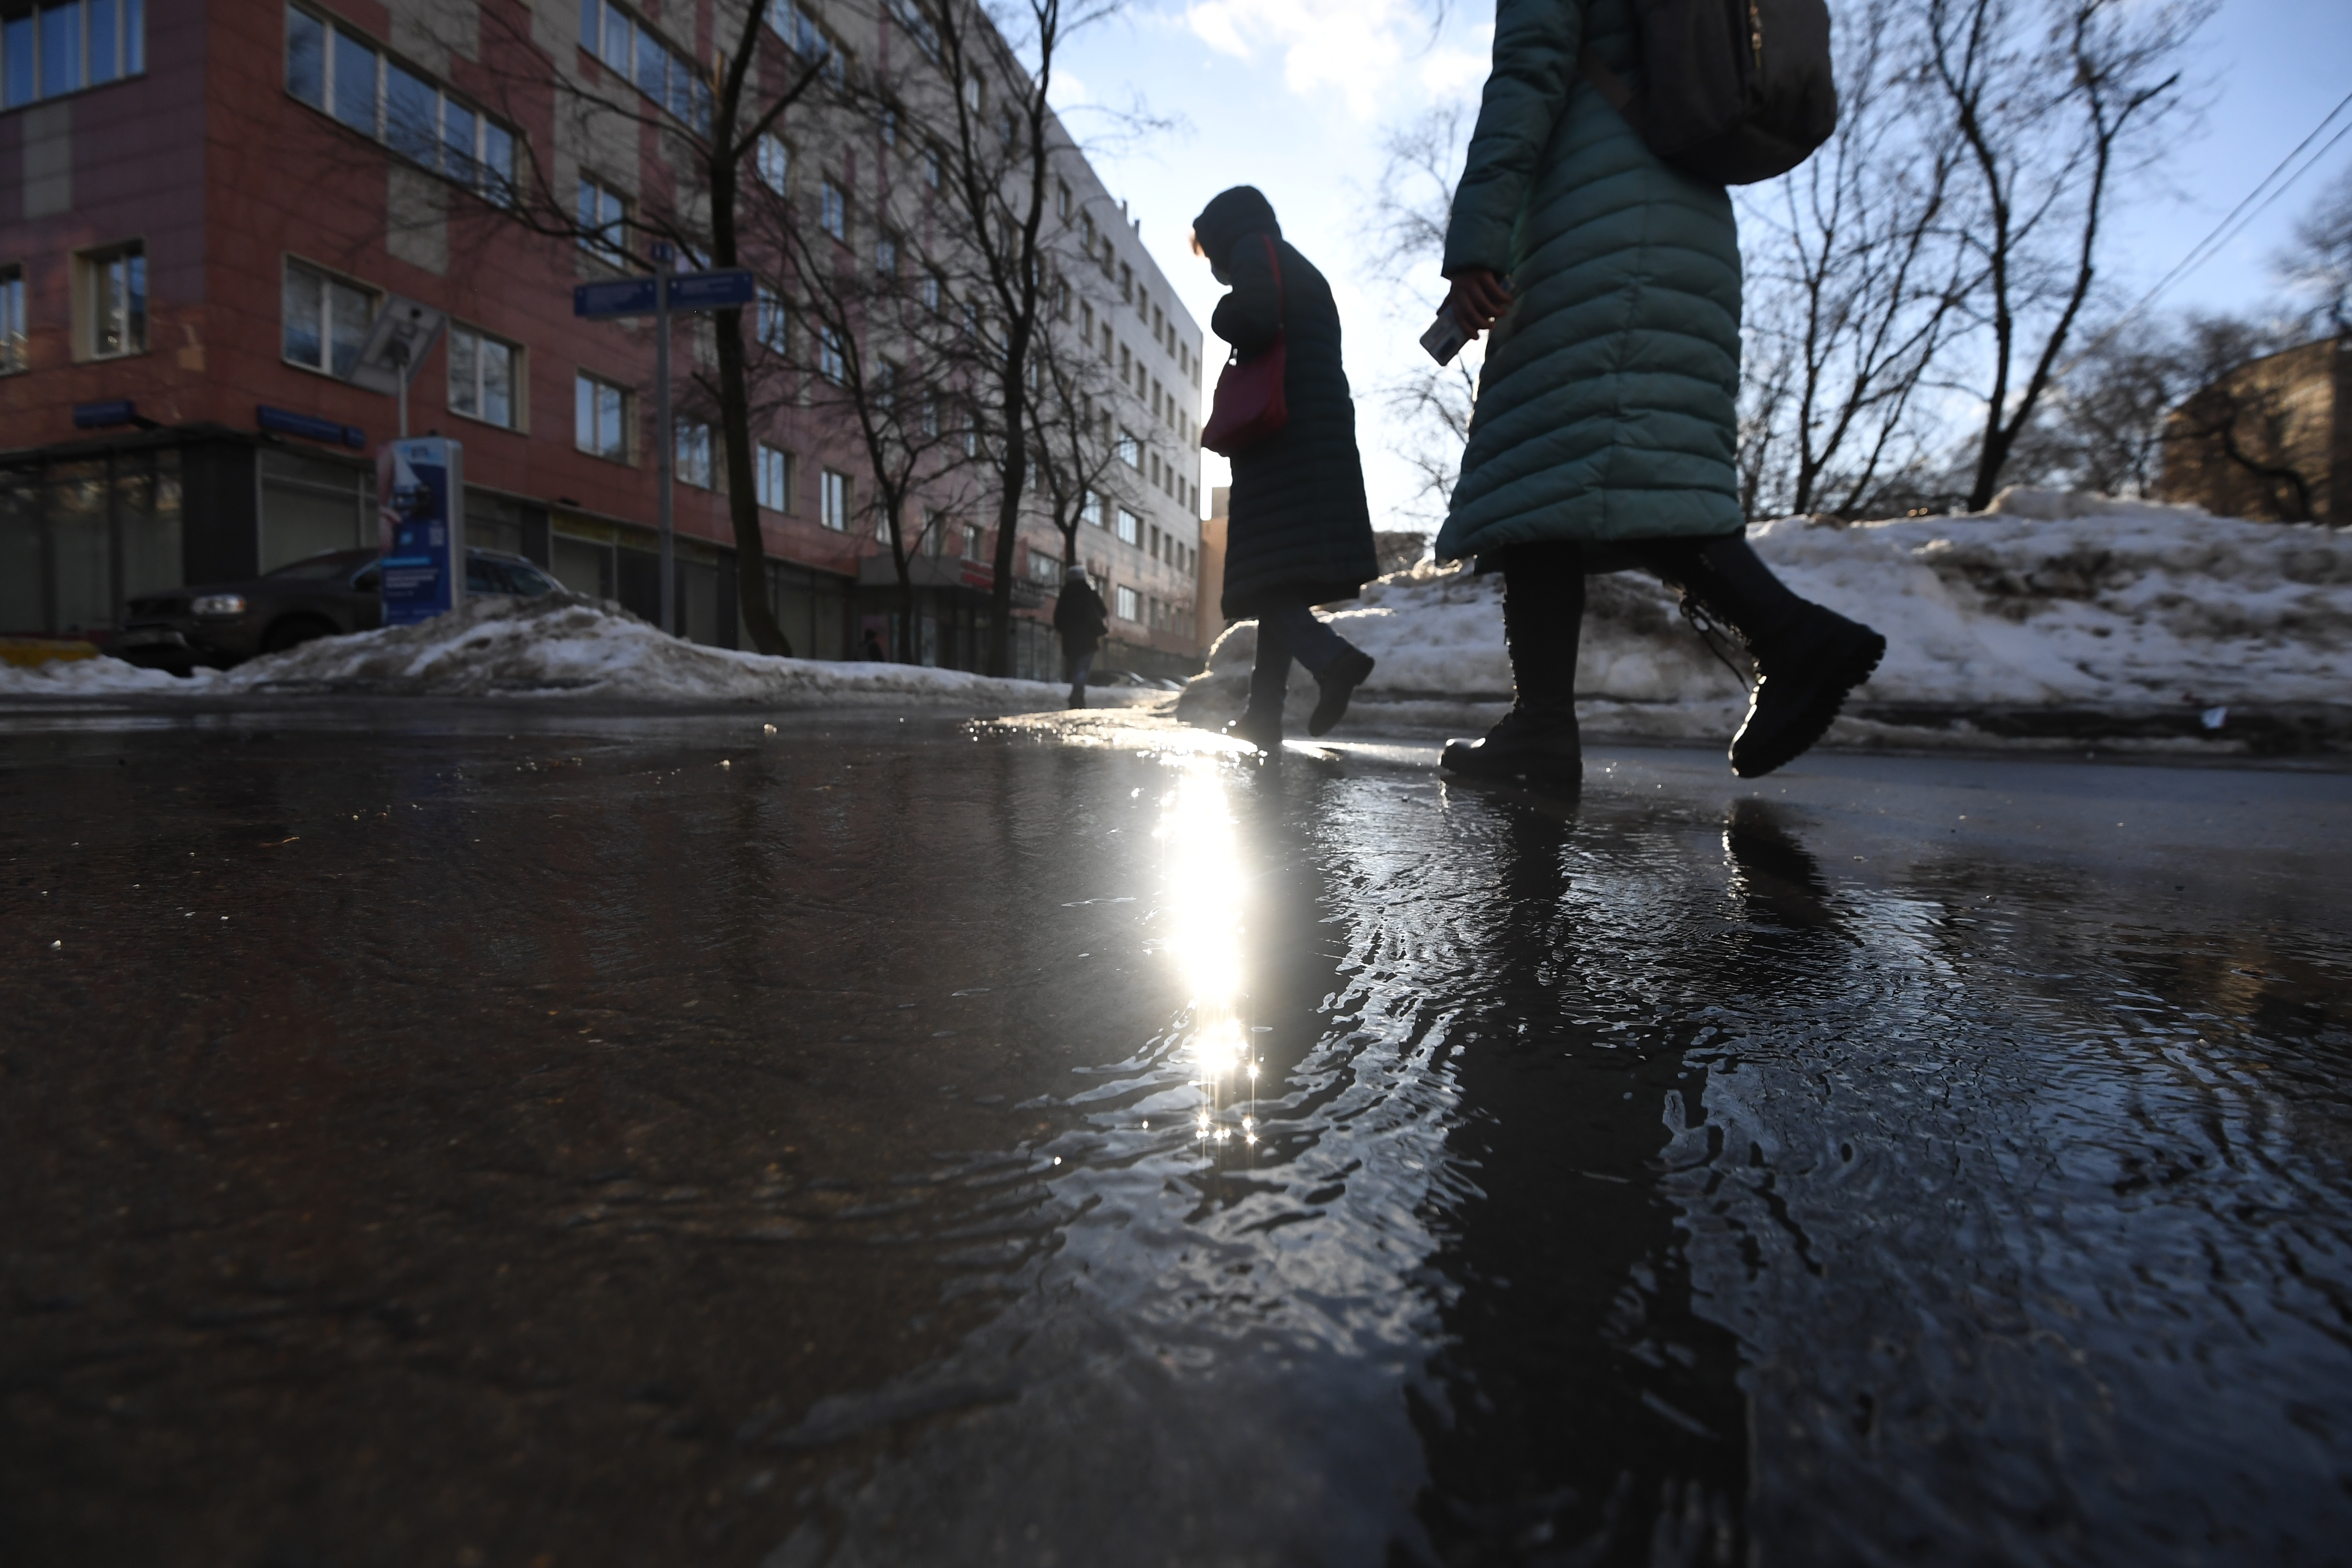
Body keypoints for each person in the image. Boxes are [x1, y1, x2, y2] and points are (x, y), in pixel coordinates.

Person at [1435, 0, 1885, 787]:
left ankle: (1794, 637)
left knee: (1584, 462)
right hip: (1678, 212)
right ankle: (1540, 724)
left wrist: (1476, 244)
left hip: (1596, 214)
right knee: (1566, 476)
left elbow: (1525, 79)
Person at [1190, 185, 1381, 751]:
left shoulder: (1253, 249)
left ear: (1226, 234)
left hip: (1280, 438)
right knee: (1278, 575)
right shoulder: (1300, 266)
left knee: (1260, 577)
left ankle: (1332, 659)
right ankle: (1263, 713)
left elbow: (1251, 317)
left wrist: (1222, 313)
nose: (1216, 269)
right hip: (1313, 436)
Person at [1051, 565, 1109, 709]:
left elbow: (1058, 619)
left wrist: (1064, 631)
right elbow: (1103, 611)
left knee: (1076, 669)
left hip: (1070, 641)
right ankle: (1077, 694)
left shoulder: (1065, 595)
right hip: (1088, 640)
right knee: (1083, 669)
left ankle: (1078, 695)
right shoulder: (1090, 593)